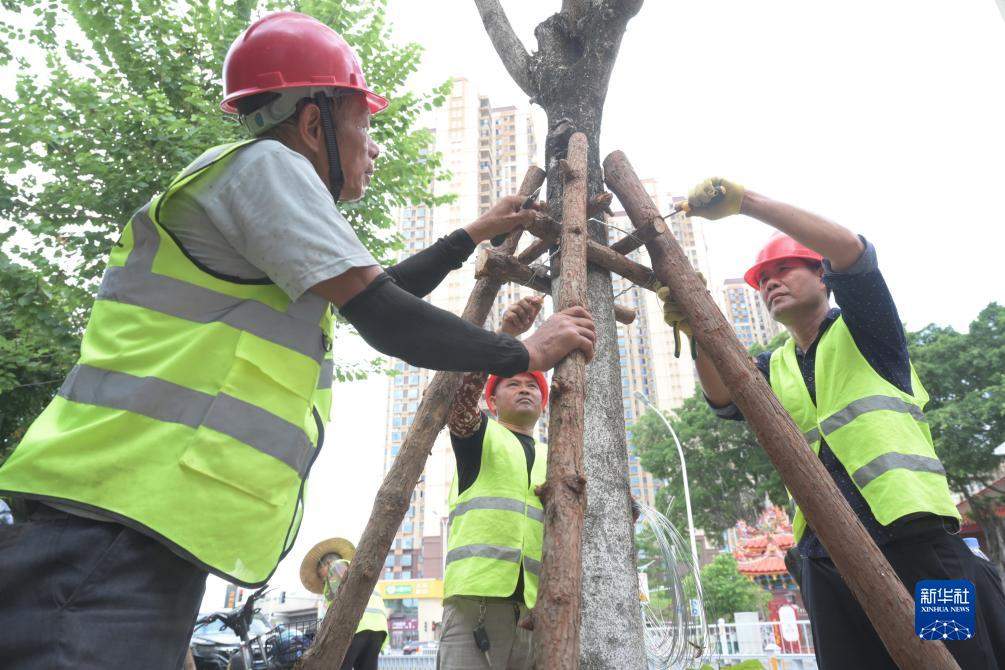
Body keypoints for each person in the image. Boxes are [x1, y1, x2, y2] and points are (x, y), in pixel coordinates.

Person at [0, 12, 596, 670]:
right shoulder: (269, 168)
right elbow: (383, 313)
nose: (374, 148)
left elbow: (380, 290)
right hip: (113, 522)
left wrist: (471, 235)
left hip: (124, 516)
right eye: (362, 125)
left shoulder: (255, 188)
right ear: (311, 124)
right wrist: (524, 353)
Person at [659, 177, 1005, 669]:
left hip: (916, 543)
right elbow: (723, 399)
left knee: (958, 659)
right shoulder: (771, 366)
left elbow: (851, 251)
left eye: (784, 270)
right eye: (763, 281)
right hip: (825, 556)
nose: (770, 283)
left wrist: (746, 203)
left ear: (822, 277)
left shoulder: (868, 330)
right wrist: (695, 332)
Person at [438, 295, 547, 670]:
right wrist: (504, 338)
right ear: (494, 400)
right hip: (475, 604)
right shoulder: (480, 434)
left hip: (536, 611)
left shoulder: (559, 456)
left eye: (533, 386)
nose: (525, 389)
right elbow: (460, 403)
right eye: (513, 383)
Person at [300, 537, 386, 670]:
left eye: (321, 574)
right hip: (378, 628)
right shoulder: (356, 568)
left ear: (327, 563)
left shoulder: (337, 566)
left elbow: (341, 599)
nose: (323, 579)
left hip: (356, 627)